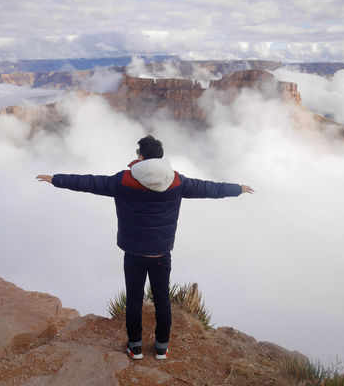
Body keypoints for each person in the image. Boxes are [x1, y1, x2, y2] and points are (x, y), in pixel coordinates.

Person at [37, 135, 254, 361]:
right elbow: (210, 188)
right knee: (162, 301)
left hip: (133, 253)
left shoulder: (123, 180)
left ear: (140, 156)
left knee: (134, 301)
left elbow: (89, 182)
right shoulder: (177, 181)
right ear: (161, 156)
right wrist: (237, 188)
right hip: (161, 253)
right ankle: (161, 348)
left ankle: (135, 347)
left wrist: (56, 179)